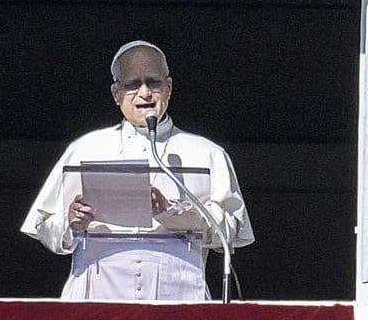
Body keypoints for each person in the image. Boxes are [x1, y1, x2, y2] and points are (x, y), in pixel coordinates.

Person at [21, 40, 254, 300]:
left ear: (169, 87)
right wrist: (70, 222)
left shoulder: (207, 153)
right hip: (98, 294)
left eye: (153, 82)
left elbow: (232, 231)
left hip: (178, 294)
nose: (145, 93)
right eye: (132, 85)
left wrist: (175, 213)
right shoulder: (85, 149)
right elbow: (43, 226)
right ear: (116, 94)